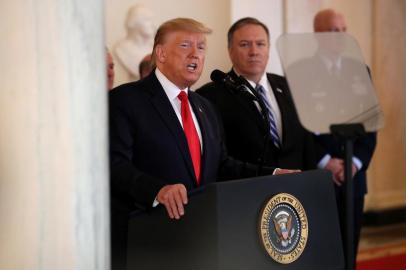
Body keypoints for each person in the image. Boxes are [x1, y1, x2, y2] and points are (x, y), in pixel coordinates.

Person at [109, 17, 296, 270]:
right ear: (161, 54)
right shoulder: (126, 100)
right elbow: (114, 164)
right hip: (149, 239)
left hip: (200, 241)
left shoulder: (205, 107)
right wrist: (157, 190)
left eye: (201, 47)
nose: (195, 54)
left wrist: (273, 175)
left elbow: (222, 166)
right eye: (186, 45)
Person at [197, 17, 318, 171]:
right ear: (230, 51)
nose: (254, 52)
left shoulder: (291, 86)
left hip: (295, 188)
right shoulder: (210, 96)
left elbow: (306, 144)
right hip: (247, 189)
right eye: (244, 45)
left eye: (260, 44)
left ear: (268, 49)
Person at [312, 9, 377, 266]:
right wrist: (326, 161)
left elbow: (371, 123)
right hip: (319, 176)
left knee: (350, 251)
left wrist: (354, 162)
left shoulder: (360, 69)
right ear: (317, 35)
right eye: (332, 31)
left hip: (354, 177)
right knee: (320, 252)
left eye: (343, 30)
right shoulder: (299, 70)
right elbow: (301, 126)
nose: (339, 36)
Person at [114, 4, 155, 78]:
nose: (152, 24)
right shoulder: (121, 48)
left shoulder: (153, 48)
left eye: (151, 20)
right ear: (134, 21)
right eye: (147, 20)